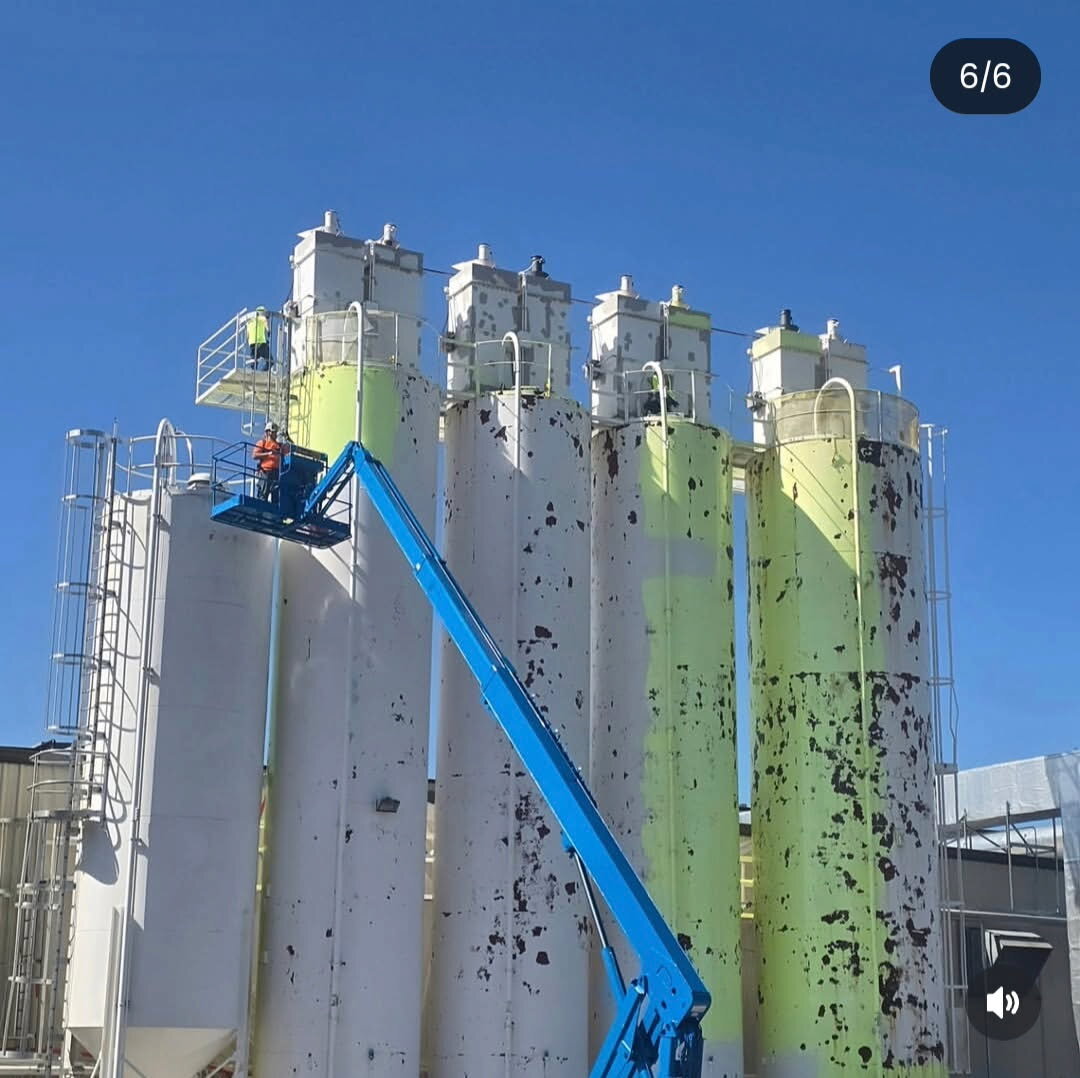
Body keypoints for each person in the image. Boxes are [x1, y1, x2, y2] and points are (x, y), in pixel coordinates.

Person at [253, 423, 282, 501]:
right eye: (274, 432)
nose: (276, 434)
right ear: (269, 432)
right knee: (263, 494)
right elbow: (255, 455)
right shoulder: (262, 443)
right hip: (265, 472)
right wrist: (268, 454)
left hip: (276, 473)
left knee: (276, 496)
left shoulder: (279, 446)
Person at [246, 306, 272, 371]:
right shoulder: (261, 318)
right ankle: (262, 372)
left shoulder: (250, 321)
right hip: (260, 342)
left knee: (254, 362)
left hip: (252, 344)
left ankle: (253, 373)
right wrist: (268, 331)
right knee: (270, 361)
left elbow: (247, 335)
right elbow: (265, 322)